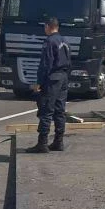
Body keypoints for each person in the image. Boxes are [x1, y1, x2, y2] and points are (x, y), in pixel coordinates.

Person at [26, 17, 71, 153]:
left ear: (48, 26)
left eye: (44, 27)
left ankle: (42, 143)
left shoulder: (49, 42)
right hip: (63, 77)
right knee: (59, 110)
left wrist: (39, 82)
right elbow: (69, 61)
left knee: (46, 109)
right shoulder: (65, 41)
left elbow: (46, 64)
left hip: (52, 78)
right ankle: (59, 141)